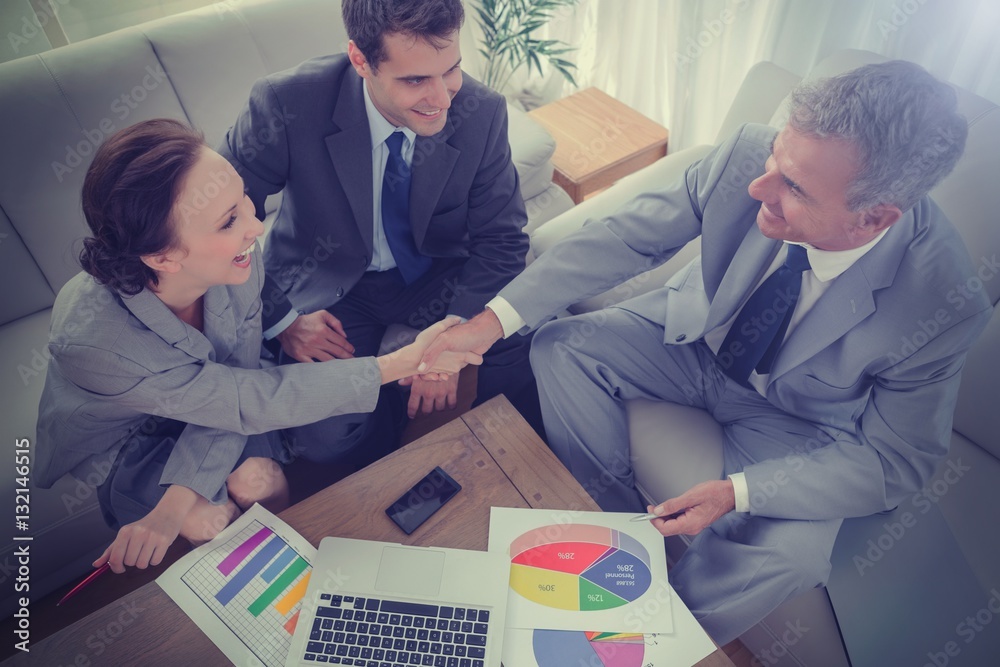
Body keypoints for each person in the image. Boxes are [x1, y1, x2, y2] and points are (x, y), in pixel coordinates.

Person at [418, 61, 992, 644]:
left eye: (793, 188)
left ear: (874, 218)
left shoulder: (940, 301)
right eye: (777, 161)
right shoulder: (749, 155)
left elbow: (898, 461)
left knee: (788, 560)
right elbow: (625, 236)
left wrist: (738, 493)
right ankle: (621, 542)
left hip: (796, 421)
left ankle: (643, 640)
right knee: (561, 345)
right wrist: (491, 322)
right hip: (692, 341)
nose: (758, 188)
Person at [34, 119, 477, 574]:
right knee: (212, 519)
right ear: (162, 257)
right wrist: (177, 508)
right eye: (229, 221)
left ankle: (299, 582)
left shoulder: (237, 262)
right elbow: (244, 399)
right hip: (132, 439)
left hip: (223, 399)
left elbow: (238, 392)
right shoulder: (95, 342)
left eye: (242, 200)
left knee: (261, 481)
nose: (255, 227)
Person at [218, 0, 542, 465]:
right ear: (360, 61)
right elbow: (215, 224)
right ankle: (384, 472)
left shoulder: (482, 112)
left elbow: (503, 240)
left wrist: (458, 336)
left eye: (450, 70)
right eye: (415, 80)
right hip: (329, 283)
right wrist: (282, 318)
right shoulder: (285, 103)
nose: (443, 98)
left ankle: (511, 464)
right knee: (323, 437)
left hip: (437, 275)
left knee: (525, 334)